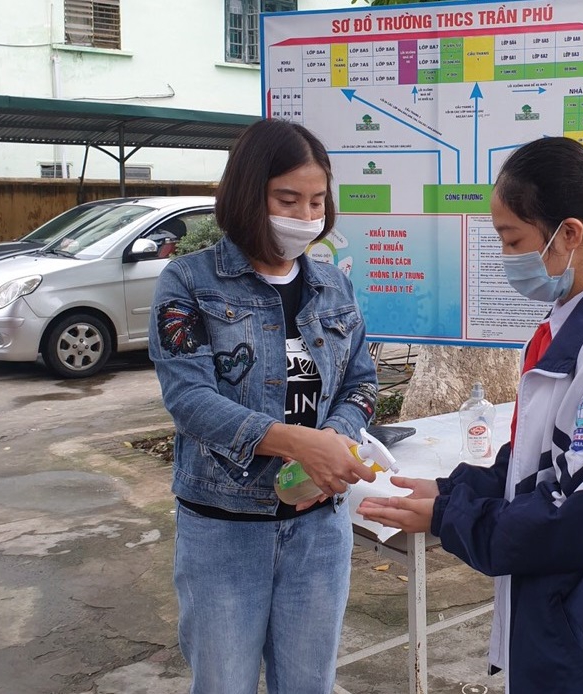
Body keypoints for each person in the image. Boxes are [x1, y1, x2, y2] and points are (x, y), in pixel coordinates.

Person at [358, 137, 583, 694]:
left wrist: (447, 518)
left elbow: (574, 520)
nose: (506, 256)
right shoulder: (571, 328)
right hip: (556, 617)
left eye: (513, 239)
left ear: (571, 234)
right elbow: (533, 460)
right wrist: (450, 489)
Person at [149, 119, 379, 694]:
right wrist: (299, 443)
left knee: (309, 685)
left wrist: (334, 442)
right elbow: (190, 401)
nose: (304, 215)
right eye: (287, 199)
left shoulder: (333, 286)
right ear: (249, 193)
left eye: (317, 201)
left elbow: (361, 382)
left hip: (320, 531)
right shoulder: (190, 282)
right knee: (224, 682)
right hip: (225, 531)